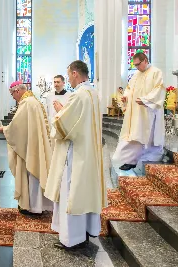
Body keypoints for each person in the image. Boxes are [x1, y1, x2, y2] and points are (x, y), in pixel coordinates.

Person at [44, 60, 106, 250]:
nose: (69, 78)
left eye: (69, 74)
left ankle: (71, 239)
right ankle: (87, 231)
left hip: (75, 154)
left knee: (72, 194)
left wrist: (58, 113)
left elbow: (64, 125)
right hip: (89, 152)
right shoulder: (93, 93)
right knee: (85, 192)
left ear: (75, 73)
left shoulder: (78, 95)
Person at [0, 81, 53, 215]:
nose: (13, 98)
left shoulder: (27, 103)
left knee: (31, 174)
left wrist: (3, 129)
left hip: (30, 147)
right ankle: (39, 205)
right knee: (36, 174)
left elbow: (17, 127)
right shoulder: (34, 101)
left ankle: (33, 207)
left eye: (12, 94)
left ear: (17, 91)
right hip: (34, 143)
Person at [112, 52, 165, 171]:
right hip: (136, 111)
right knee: (135, 135)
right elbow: (129, 89)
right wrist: (126, 96)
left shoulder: (156, 72)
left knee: (146, 135)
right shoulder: (136, 74)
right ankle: (131, 160)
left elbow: (159, 89)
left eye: (138, 64)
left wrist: (146, 101)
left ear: (145, 60)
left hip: (149, 111)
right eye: (135, 65)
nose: (137, 67)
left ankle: (146, 159)